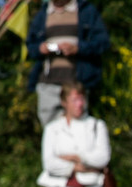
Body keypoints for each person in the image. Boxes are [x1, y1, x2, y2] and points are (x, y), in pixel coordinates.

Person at [25, 0, 110, 128]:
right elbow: (30, 46)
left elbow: (103, 43)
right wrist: (40, 48)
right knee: (52, 131)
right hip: (48, 83)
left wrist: (78, 48)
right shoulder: (43, 14)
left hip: (77, 83)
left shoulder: (85, 11)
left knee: (79, 129)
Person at [36, 83, 110, 187]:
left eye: (82, 99)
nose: (79, 104)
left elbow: (103, 158)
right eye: (75, 100)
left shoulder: (96, 125)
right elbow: (49, 163)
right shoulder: (52, 129)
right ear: (64, 102)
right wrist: (75, 167)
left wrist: (76, 157)